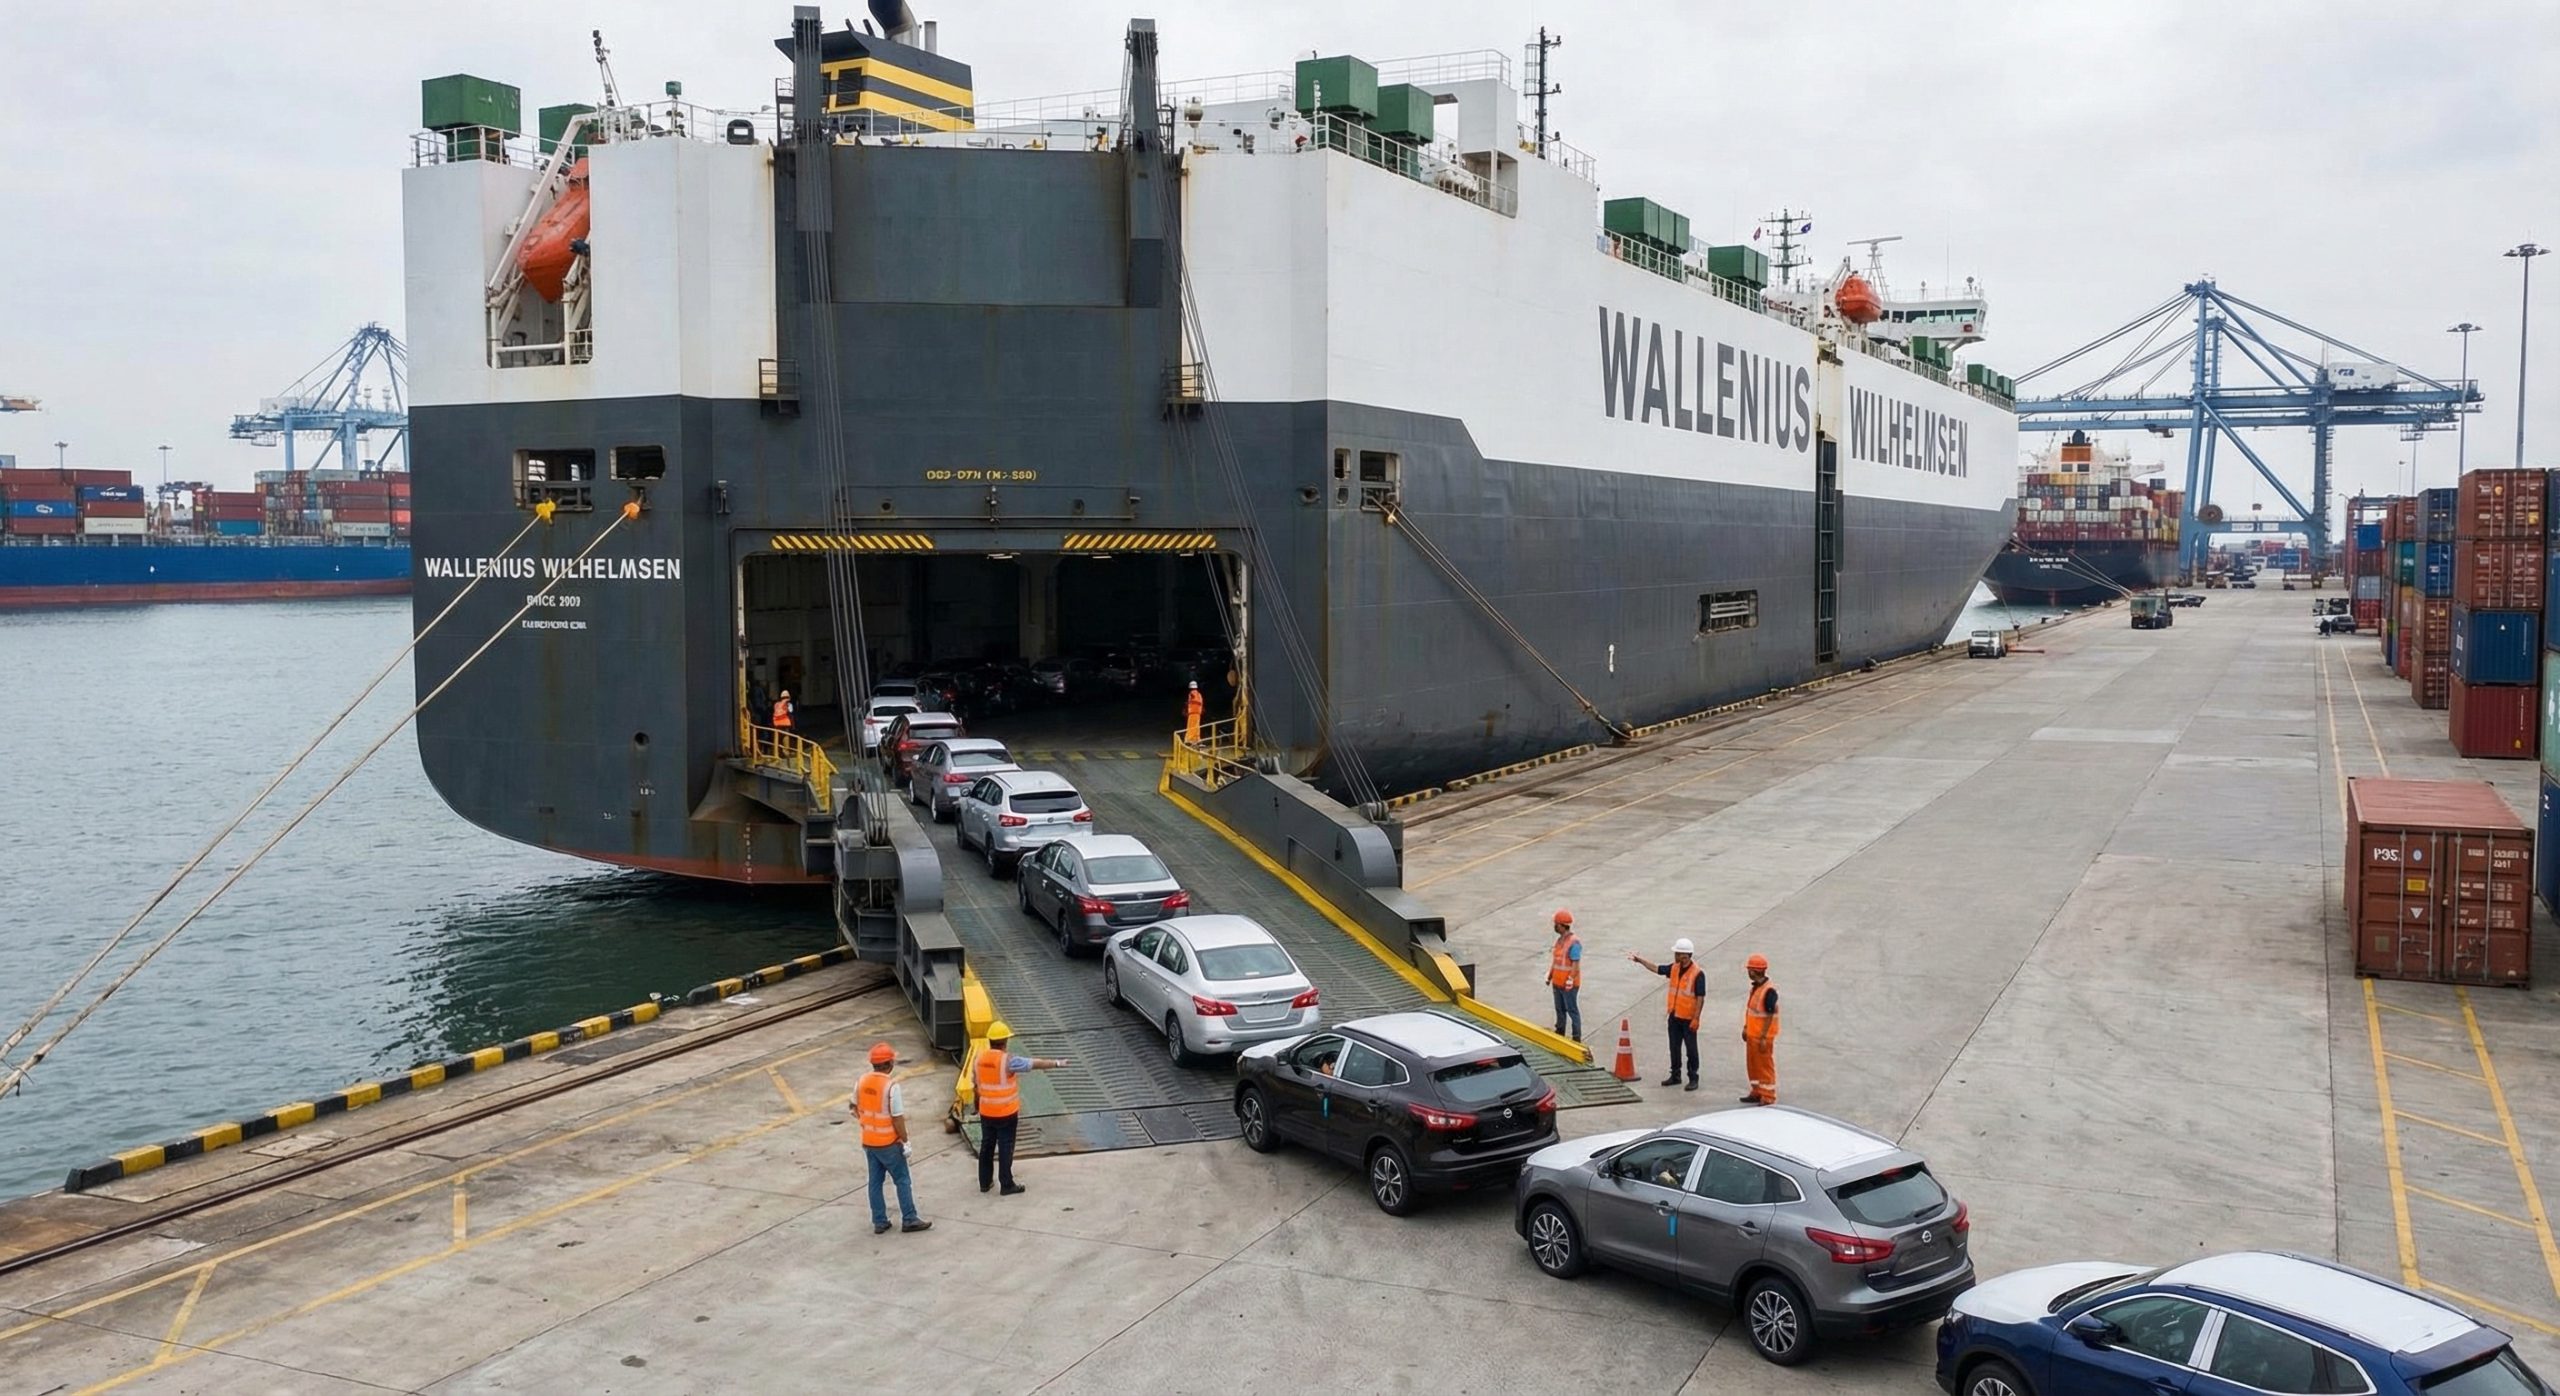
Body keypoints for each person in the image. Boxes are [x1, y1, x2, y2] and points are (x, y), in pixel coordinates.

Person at [973, 1021, 1067, 1196]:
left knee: (987, 1146)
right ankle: (1006, 1184)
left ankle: (984, 1182)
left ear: (990, 1041)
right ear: (1005, 1042)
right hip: (1006, 1113)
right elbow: (1034, 1064)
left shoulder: (978, 1059)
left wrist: (976, 1105)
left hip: (986, 1112)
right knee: (1005, 1147)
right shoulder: (1008, 1061)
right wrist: (1057, 1063)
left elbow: (975, 1085)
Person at [854, 1041, 932, 1235]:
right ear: (889, 1064)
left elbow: (853, 1107)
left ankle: (879, 1221)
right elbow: (897, 1118)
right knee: (902, 1180)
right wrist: (905, 1141)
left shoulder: (861, 1081)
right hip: (889, 1143)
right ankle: (909, 1218)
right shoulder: (891, 1087)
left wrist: (866, 1124)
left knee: (874, 1182)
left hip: (869, 1142)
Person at [1629, 938, 1706, 1091]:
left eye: (1677, 953)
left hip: (1688, 1019)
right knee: (1674, 1047)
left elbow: (1700, 997)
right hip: (1675, 1016)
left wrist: (1696, 1018)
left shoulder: (1697, 974)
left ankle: (1693, 1077)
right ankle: (1675, 1075)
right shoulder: (1675, 968)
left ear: (1685, 955)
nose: (1674, 955)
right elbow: (1657, 969)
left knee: (1691, 1049)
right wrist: (1640, 960)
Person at [1740, 954, 1780, 1106]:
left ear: (1754, 971)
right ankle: (1757, 1091)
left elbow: (1769, 1015)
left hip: (1762, 1037)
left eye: (1749, 969)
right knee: (1753, 1065)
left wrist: (1763, 1037)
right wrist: (1746, 1028)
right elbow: (1751, 1012)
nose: (1748, 972)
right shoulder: (1756, 988)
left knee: (1764, 1067)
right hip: (1752, 1034)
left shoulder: (1768, 991)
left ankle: (1768, 1095)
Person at [1546, 909, 1583, 1042]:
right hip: (1557, 982)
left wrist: (1570, 979)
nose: (1554, 927)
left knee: (1572, 1010)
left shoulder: (1574, 942)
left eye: (1556, 924)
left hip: (1568, 985)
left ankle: (1576, 1037)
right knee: (1560, 1009)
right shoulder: (1560, 940)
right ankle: (1560, 1031)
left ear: (1561, 925)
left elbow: (1575, 964)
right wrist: (1550, 976)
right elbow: (1556, 961)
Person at [1184, 680, 1205, 745]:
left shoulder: (1191, 693)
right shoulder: (1199, 694)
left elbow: (1191, 702)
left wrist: (1186, 708)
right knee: (1196, 726)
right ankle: (1197, 739)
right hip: (1198, 713)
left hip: (1192, 713)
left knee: (1191, 726)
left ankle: (1189, 739)